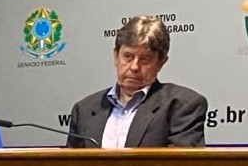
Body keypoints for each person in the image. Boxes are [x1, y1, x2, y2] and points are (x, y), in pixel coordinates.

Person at [66, 14, 207, 148]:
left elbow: (182, 164)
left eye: (145, 59)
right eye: (128, 56)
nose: (134, 67)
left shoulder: (181, 106)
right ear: (116, 56)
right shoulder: (84, 110)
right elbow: (71, 164)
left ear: (161, 62)